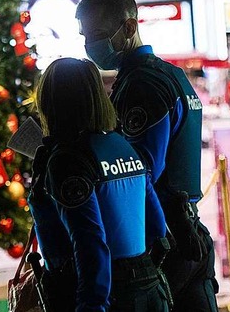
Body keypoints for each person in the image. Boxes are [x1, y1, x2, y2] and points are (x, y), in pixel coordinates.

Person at [76, 0, 218, 312]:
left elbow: (140, 170)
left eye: (96, 33)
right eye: (84, 35)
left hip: (162, 236)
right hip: (186, 230)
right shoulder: (170, 75)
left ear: (129, 27)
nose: (89, 44)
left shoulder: (142, 85)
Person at [29, 57, 169, 311]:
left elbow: (89, 243)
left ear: (50, 103)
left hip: (99, 294)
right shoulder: (124, 147)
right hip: (149, 286)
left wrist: (91, 304)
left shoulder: (67, 160)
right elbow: (158, 228)